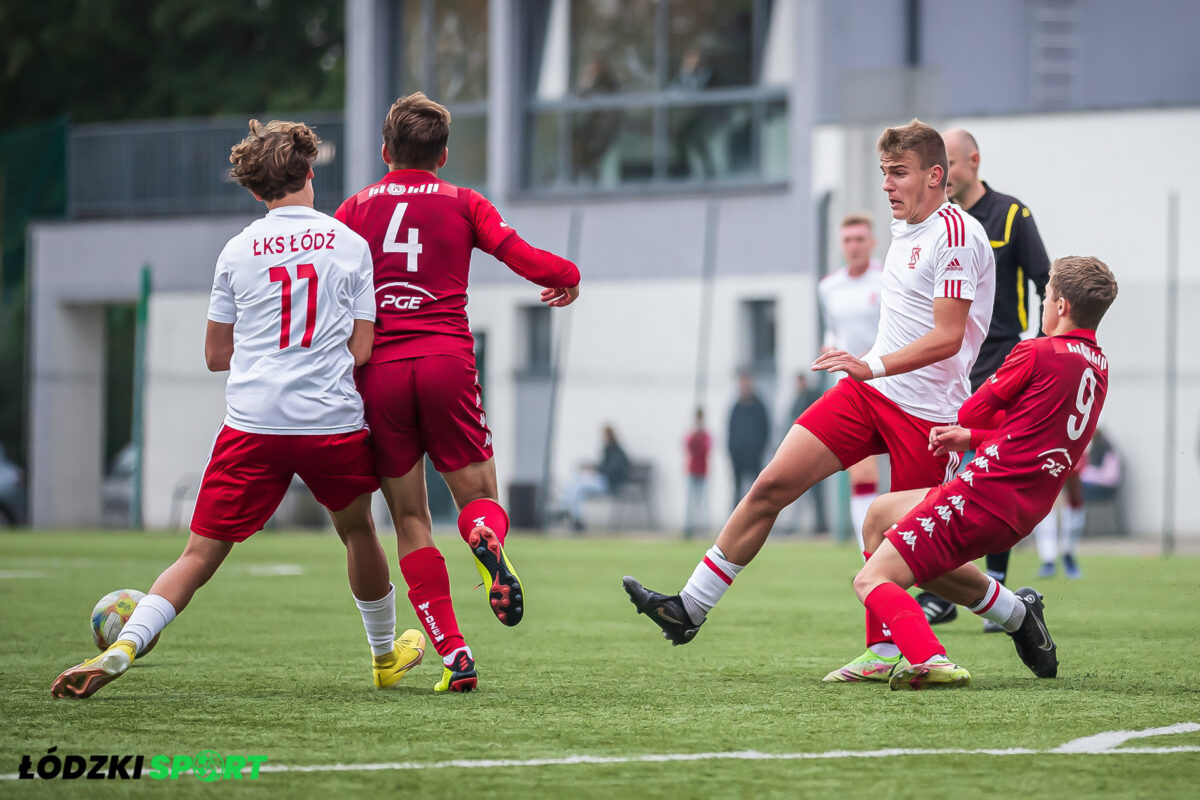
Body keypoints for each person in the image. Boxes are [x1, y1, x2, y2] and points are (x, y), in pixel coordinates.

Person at [51, 120, 424, 699]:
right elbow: (363, 349)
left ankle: (123, 646)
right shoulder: (351, 244)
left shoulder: (236, 249)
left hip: (253, 424)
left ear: (256, 191)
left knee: (199, 554)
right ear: (310, 173)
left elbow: (215, 355)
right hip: (329, 421)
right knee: (357, 532)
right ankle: (383, 658)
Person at [624, 119, 995, 660]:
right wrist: (867, 371)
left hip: (930, 416)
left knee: (918, 557)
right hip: (869, 396)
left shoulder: (956, 233)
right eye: (884, 174)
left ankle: (1011, 611)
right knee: (772, 484)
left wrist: (870, 363)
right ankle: (690, 606)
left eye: (899, 174)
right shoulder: (904, 228)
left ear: (936, 176)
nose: (887, 185)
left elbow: (947, 337)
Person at [335, 92, 580, 692]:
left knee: (410, 516)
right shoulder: (464, 202)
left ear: (385, 150)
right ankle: (482, 535)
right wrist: (566, 279)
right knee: (480, 494)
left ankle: (455, 654)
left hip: (381, 372)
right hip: (446, 363)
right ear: (443, 155)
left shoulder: (353, 210)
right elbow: (525, 259)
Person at [839, 255, 1116, 688]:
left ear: (1061, 305)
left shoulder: (1036, 351)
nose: (1043, 305)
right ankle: (1013, 615)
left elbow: (973, 408)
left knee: (872, 578)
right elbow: (1034, 438)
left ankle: (930, 657)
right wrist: (970, 439)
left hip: (980, 497)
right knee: (879, 515)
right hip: (1021, 508)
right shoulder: (1098, 368)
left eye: (1045, 297)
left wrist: (970, 421)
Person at [916, 128, 1052, 625]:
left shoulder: (1011, 214)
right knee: (944, 465)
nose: (942, 175)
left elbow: (1048, 281)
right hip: (950, 362)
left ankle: (993, 588)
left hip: (1000, 360)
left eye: (949, 163)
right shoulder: (937, 223)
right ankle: (946, 584)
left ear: (973, 161)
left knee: (990, 467)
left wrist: (1038, 348)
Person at [818, 214, 885, 546]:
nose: (854, 246)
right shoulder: (829, 287)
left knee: (911, 476)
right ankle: (868, 556)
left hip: (890, 385)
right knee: (861, 473)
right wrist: (829, 348)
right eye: (848, 240)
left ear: (871, 243)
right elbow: (832, 330)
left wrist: (869, 359)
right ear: (841, 245)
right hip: (851, 391)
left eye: (860, 239)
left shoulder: (887, 279)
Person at [558, 425, 632, 532]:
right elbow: (603, 467)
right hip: (602, 480)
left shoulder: (617, 451)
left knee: (580, 485)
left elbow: (611, 470)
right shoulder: (607, 450)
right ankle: (575, 517)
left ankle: (564, 509)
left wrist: (596, 472)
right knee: (577, 481)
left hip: (609, 484)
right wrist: (593, 470)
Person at [783, 374, 828, 534]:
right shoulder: (797, 400)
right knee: (797, 492)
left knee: (815, 493)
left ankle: (820, 524)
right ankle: (795, 525)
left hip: (812, 454)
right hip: (799, 455)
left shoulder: (810, 398)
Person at [727, 371, 770, 510]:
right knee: (737, 492)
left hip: (754, 456)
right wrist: (732, 451)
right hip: (738, 457)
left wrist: (759, 449)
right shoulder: (736, 407)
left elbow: (765, 430)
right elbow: (731, 431)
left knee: (756, 491)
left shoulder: (759, 406)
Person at [683, 408, 712, 539]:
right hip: (692, 471)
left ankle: (702, 528)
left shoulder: (705, 436)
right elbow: (688, 447)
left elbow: (706, 449)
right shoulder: (691, 435)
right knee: (690, 502)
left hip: (702, 472)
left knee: (703, 502)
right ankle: (688, 528)